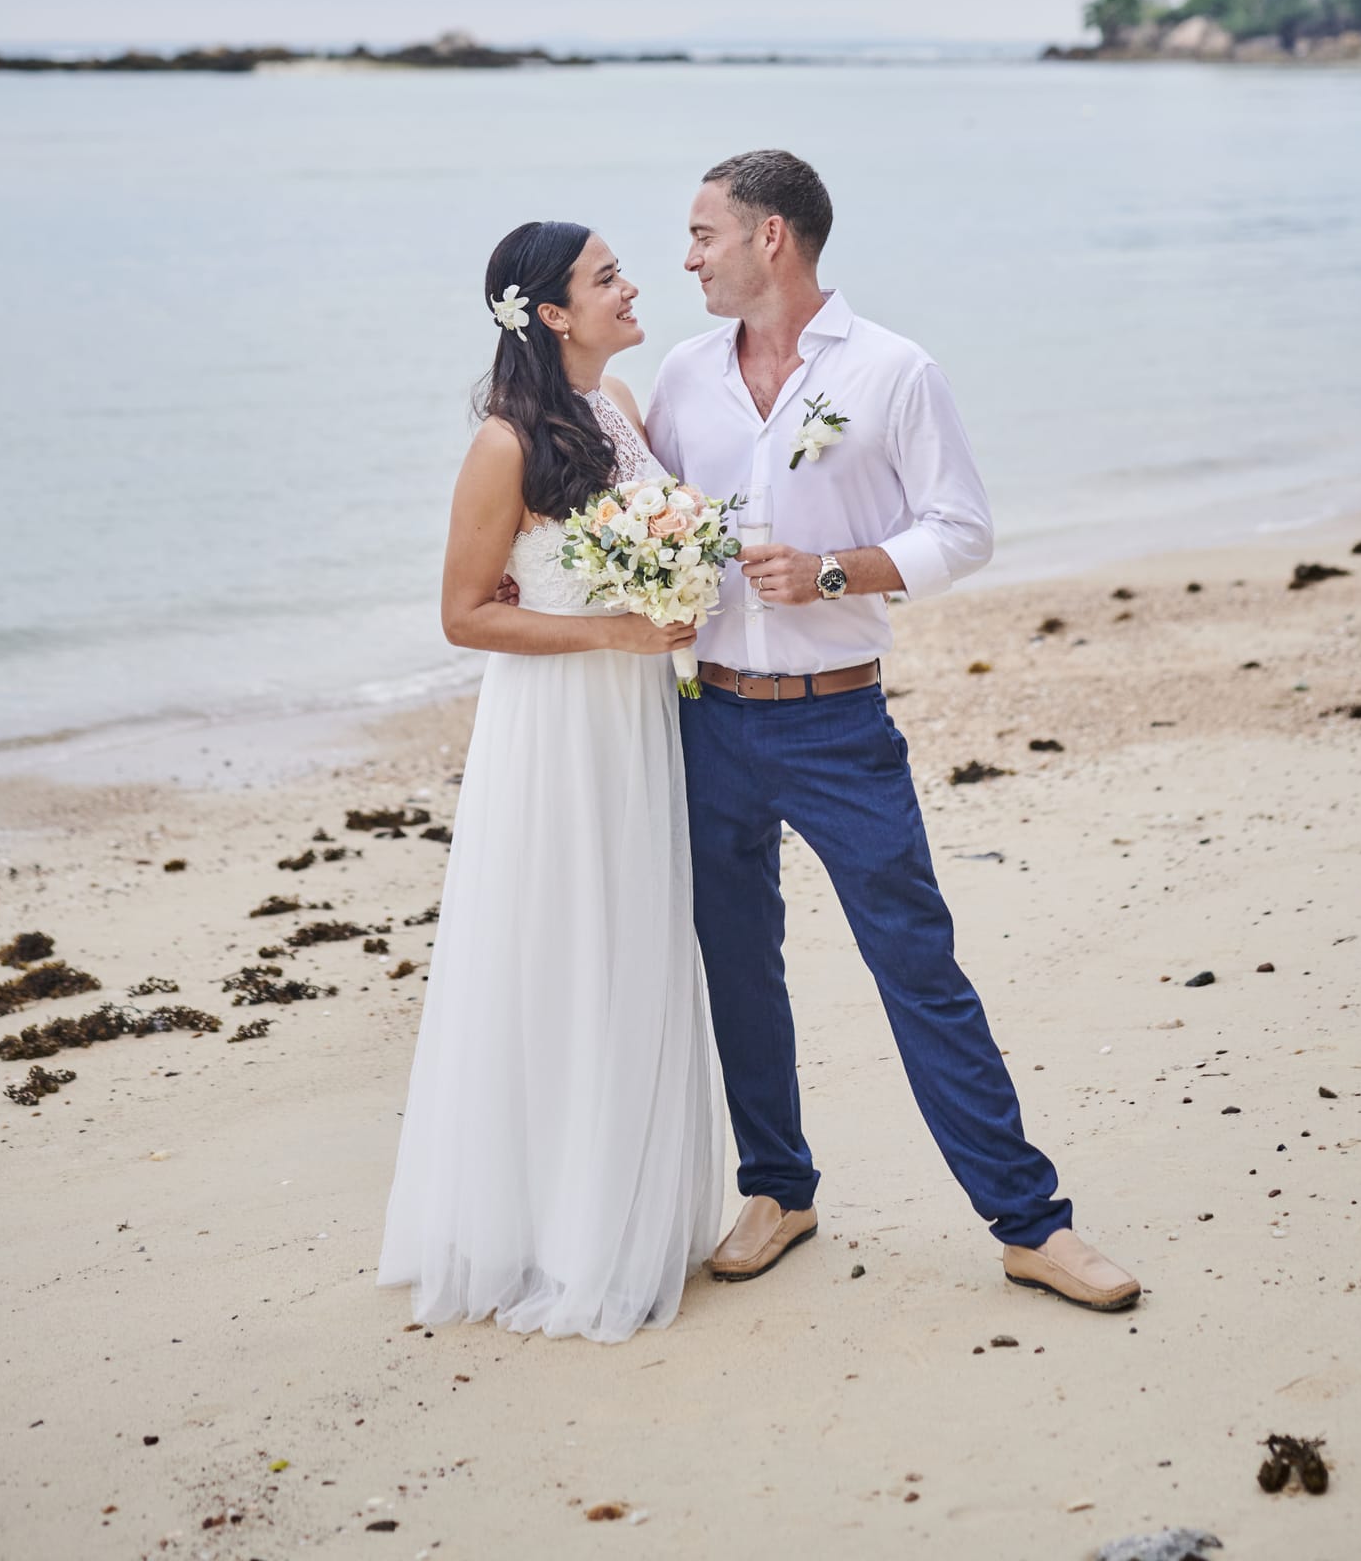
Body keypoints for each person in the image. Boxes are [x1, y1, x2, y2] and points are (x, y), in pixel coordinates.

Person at [646, 150, 1140, 1313]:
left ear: (773, 237)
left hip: (838, 726)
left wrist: (831, 570)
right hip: (706, 719)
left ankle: (1031, 1223)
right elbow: (649, 516)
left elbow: (962, 529)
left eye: (704, 232)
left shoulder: (893, 370)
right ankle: (779, 1187)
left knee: (917, 967)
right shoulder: (679, 374)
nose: (688, 256)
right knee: (737, 968)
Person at [377, 219, 724, 1344]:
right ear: (553, 314)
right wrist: (619, 632)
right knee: (561, 947)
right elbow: (463, 613)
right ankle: (556, 1235)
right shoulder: (502, 444)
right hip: (559, 725)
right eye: (607, 277)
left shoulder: (620, 409)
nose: (633, 287)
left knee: (636, 939)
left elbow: (660, 540)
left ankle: (629, 1209)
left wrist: (674, 601)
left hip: (636, 720)